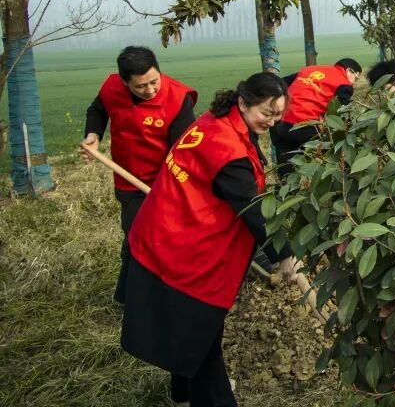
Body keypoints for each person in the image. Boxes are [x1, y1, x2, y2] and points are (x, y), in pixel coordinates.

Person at [121, 72, 296, 407]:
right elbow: (253, 209)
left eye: (278, 115)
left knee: (185, 331)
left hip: (165, 231)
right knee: (201, 340)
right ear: (243, 102)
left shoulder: (216, 120)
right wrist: (284, 254)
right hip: (182, 248)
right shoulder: (227, 149)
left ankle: (183, 395)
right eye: (266, 113)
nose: (273, 122)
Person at [82, 45, 198, 305]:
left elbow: (183, 151)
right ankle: (130, 299)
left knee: (167, 241)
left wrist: (172, 191)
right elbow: (97, 110)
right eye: (141, 86)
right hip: (128, 181)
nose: (151, 90)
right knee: (135, 239)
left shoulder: (178, 99)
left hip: (166, 183)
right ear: (125, 82)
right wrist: (93, 135)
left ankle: (168, 296)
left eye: (154, 81)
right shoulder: (112, 88)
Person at [271, 59, 362, 170]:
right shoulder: (344, 84)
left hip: (281, 123)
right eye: (355, 78)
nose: (353, 83)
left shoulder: (309, 70)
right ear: (349, 71)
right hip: (306, 127)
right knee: (336, 153)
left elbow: (280, 83)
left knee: (286, 166)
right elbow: (341, 112)